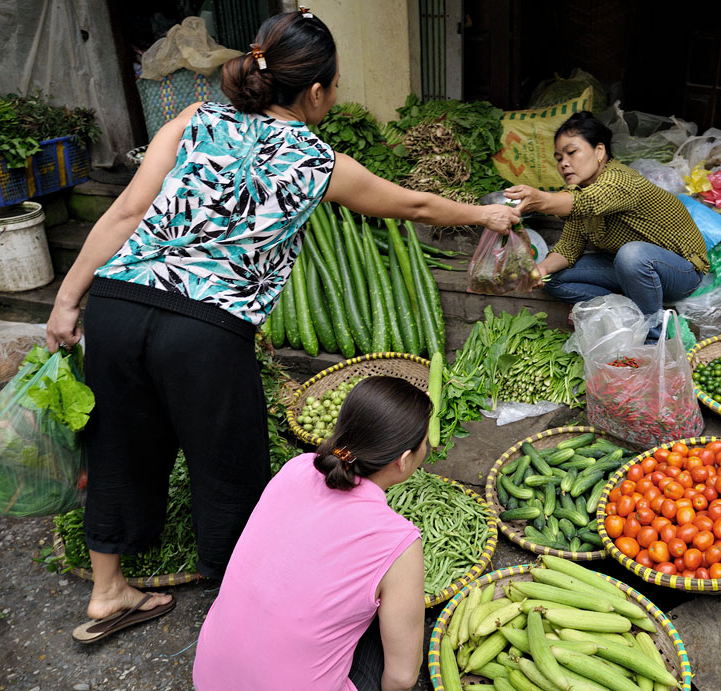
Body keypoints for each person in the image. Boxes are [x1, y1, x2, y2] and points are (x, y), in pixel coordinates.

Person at [52, 9, 518, 644]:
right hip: (205, 330)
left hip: (118, 303)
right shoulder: (318, 161)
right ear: (319, 90)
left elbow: (128, 209)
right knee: (227, 465)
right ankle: (238, 609)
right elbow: (413, 203)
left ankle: (108, 591)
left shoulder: (193, 120)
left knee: (118, 445)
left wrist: (67, 300)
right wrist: (484, 216)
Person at [192, 375, 430, 690]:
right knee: (406, 629)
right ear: (402, 461)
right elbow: (400, 679)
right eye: (425, 442)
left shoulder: (298, 467)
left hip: (210, 679)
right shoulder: (398, 543)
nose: (430, 446)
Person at [504, 111, 708, 341]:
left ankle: (653, 339)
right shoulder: (578, 191)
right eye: (559, 158)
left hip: (681, 271)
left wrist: (541, 199)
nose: (564, 163)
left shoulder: (621, 180)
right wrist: (539, 271)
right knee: (554, 279)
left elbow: (587, 203)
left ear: (599, 151)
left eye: (571, 152)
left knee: (632, 254)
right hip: (630, 270)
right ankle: (627, 308)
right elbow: (568, 247)